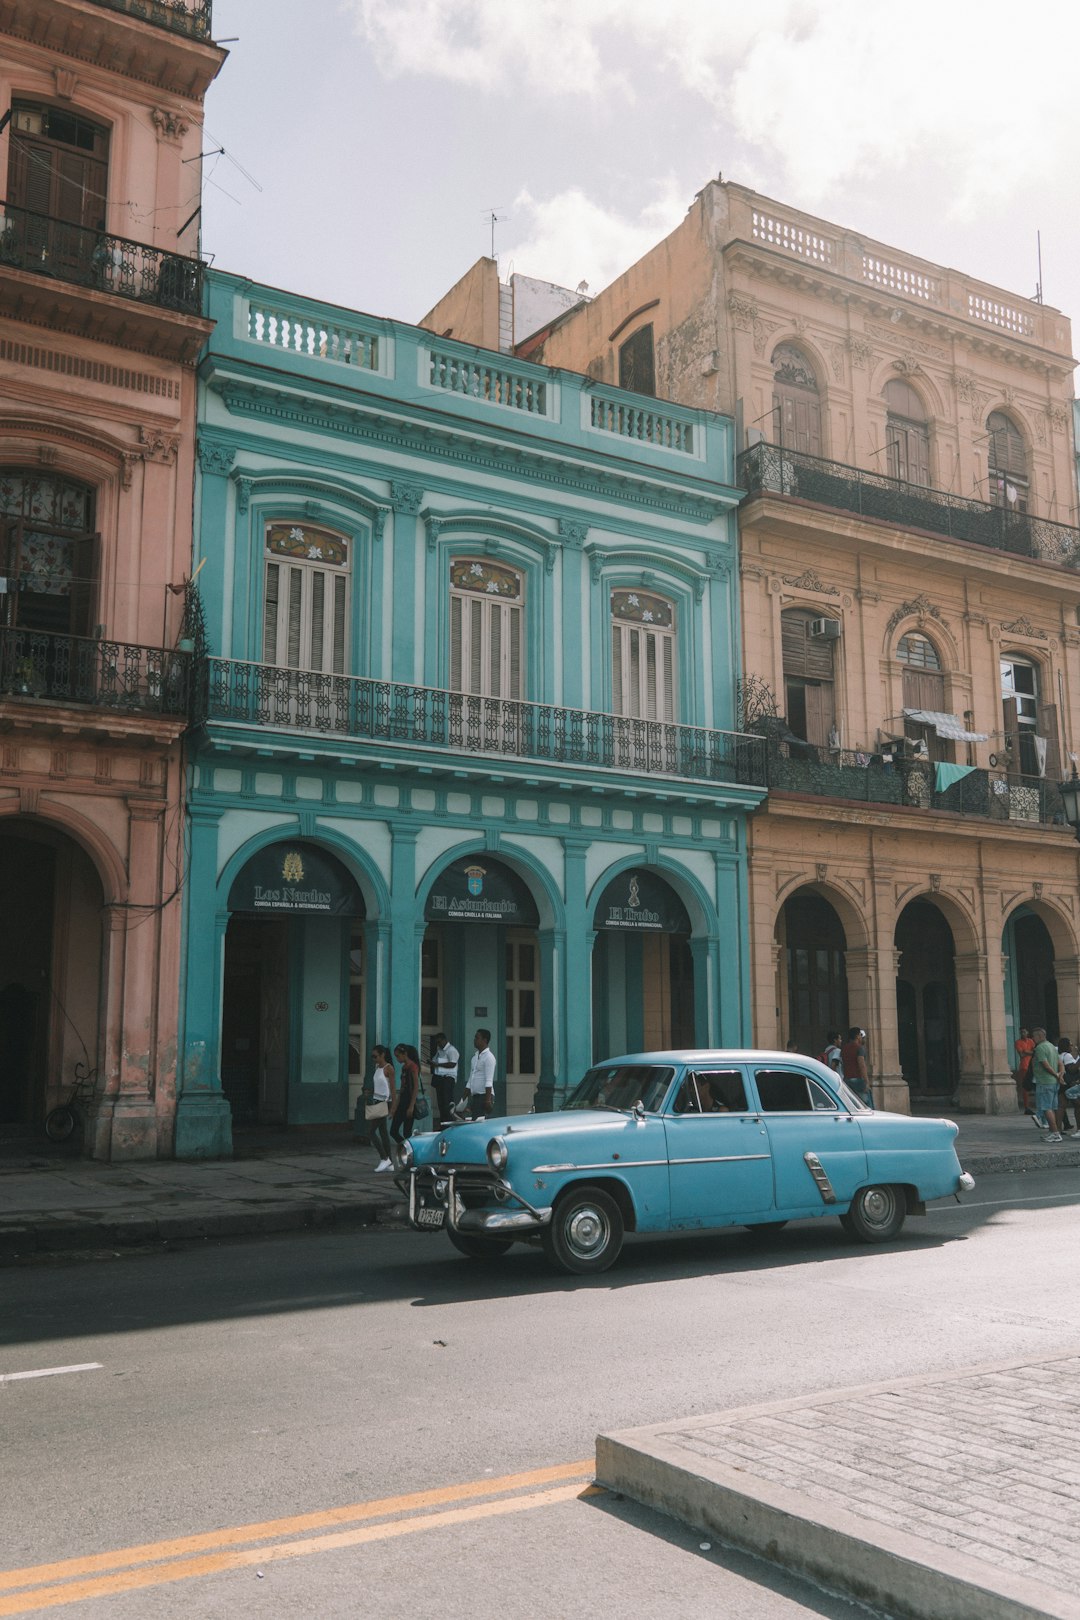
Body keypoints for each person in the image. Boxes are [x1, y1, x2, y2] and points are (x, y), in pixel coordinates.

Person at [1030, 1027, 1064, 1142]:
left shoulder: (1040, 1048)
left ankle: (1055, 1133)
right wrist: (1060, 1075)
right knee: (1052, 1108)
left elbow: (1045, 1065)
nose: (1033, 1039)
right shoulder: (1051, 1046)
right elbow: (1060, 1063)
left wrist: (1055, 1074)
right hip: (1054, 1083)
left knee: (1046, 1108)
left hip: (1045, 1081)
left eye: (1034, 1036)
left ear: (1040, 1036)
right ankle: (1052, 1131)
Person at [367, 1044, 396, 1172]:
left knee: (371, 1132)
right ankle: (390, 1162)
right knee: (383, 1132)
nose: (374, 1059)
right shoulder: (377, 1067)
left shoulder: (388, 1068)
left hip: (384, 1102)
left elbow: (393, 1090)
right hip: (376, 1100)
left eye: (375, 1056)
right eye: (372, 1057)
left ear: (382, 1054)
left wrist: (393, 1108)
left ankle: (384, 1158)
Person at [390, 1042, 421, 1160]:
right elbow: (402, 1089)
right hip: (403, 1101)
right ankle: (406, 1148)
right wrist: (394, 1107)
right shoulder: (404, 1068)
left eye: (398, 1056)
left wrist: (411, 1106)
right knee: (393, 1130)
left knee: (407, 1131)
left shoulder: (413, 1067)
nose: (397, 1059)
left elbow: (415, 1088)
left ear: (405, 1054)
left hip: (409, 1101)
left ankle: (410, 1153)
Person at [428, 1032, 460, 1127]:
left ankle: (449, 1124)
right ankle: (443, 1125)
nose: (438, 1044)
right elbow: (435, 1060)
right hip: (440, 1079)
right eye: (437, 1043)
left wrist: (438, 1065)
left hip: (448, 1079)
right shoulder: (439, 1050)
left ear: (444, 1040)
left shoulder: (451, 1050)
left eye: (439, 1042)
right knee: (441, 1104)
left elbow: (452, 1064)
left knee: (447, 1104)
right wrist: (432, 1063)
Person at [466, 1028, 496, 1120]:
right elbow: (471, 1079)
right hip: (475, 1096)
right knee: (473, 1121)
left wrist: (487, 1101)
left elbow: (489, 1081)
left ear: (485, 1040)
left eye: (477, 1038)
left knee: (479, 1123)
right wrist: (463, 1099)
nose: (474, 1040)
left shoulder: (489, 1057)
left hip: (484, 1096)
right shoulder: (475, 1057)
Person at [841, 1027, 873, 1108]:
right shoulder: (859, 1048)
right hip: (858, 1079)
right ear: (857, 1036)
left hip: (847, 1079)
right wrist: (866, 1081)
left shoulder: (844, 1048)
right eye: (860, 1035)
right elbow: (861, 1065)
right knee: (866, 1104)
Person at [1057, 1037, 1077, 1137]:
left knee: (1061, 1106)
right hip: (1069, 1084)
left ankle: (1058, 1129)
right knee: (1077, 1105)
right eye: (1070, 1044)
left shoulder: (1059, 1055)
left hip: (1062, 1083)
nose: (1072, 1046)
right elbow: (1072, 1069)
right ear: (1066, 1046)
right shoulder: (1067, 1056)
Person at [1014, 1027, 1035, 1114]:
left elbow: (1035, 1052)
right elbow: (1021, 1055)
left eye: (1024, 1032)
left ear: (1027, 1032)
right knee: (1025, 1087)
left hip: (1032, 1066)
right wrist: (1029, 1052)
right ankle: (1027, 1107)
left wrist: (1026, 1051)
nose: (1023, 1034)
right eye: (1021, 1032)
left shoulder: (1031, 1041)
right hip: (1024, 1066)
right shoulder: (1018, 1042)